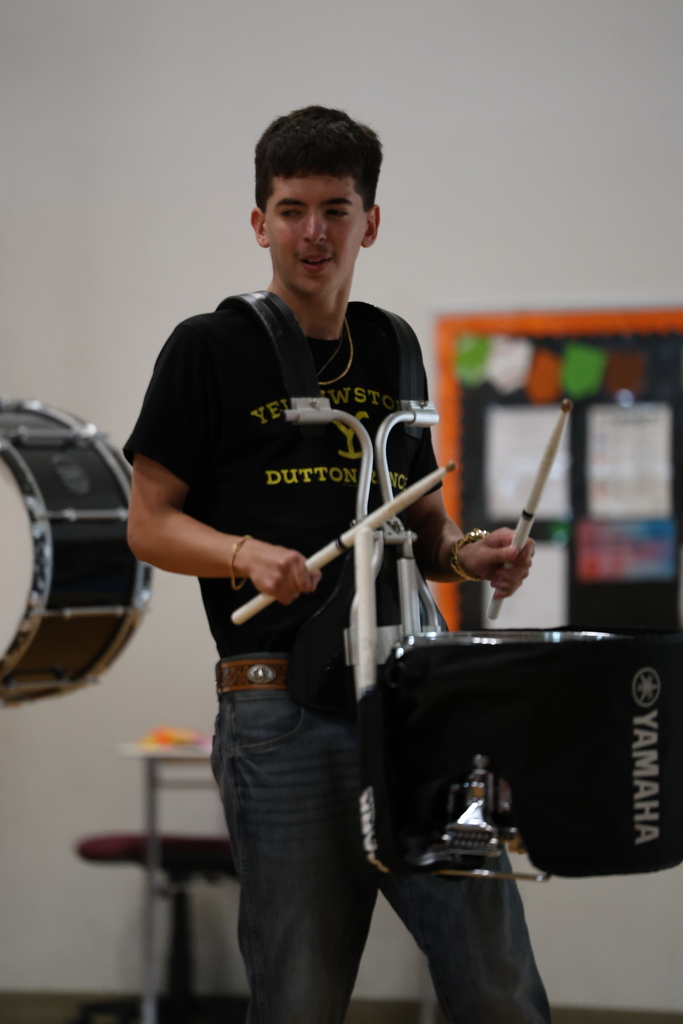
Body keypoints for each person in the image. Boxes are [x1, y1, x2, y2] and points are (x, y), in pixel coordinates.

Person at [126, 106, 550, 1024]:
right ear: (259, 222)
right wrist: (242, 554)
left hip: (413, 707)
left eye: (335, 209)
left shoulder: (393, 343)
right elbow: (147, 526)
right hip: (278, 711)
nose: (312, 232)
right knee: (300, 998)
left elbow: (423, 522)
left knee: (497, 979)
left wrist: (468, 555)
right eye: (290, 210)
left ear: (371, 221)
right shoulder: (207, 348)